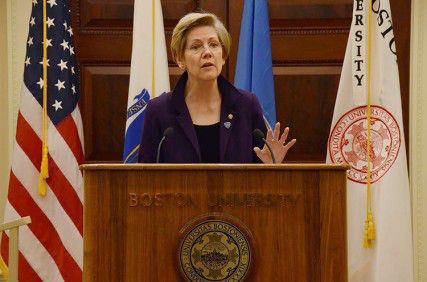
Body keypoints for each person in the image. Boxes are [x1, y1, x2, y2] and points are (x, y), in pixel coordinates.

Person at [138, 12, 296, 163]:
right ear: (180, 59)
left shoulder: (246, 106)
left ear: (223, 56)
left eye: (213, 44)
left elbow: (260, 180)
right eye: (196, 46)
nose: (207, 52)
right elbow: (144, 180)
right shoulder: (159, 111)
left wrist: (271, 167)